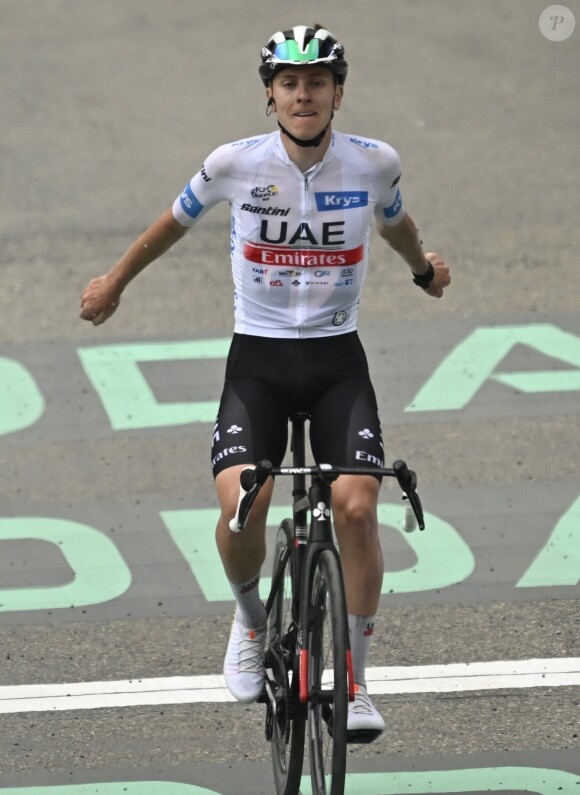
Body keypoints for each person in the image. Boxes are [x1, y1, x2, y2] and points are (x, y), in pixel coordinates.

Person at [80, 24, 450, 742]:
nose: (303, 94)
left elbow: (396, 224)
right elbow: (170, 224)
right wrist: (114, 282)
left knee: (358, 507)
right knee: (244, 507)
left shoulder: (374, 163)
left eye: (316, 82)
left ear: (338, 93)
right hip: (260, 360)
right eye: (289, 82)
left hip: (338, 360)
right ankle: (251, 624)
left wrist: (423, 270)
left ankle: (359, 680)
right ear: (270, 95)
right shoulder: (233, 164)